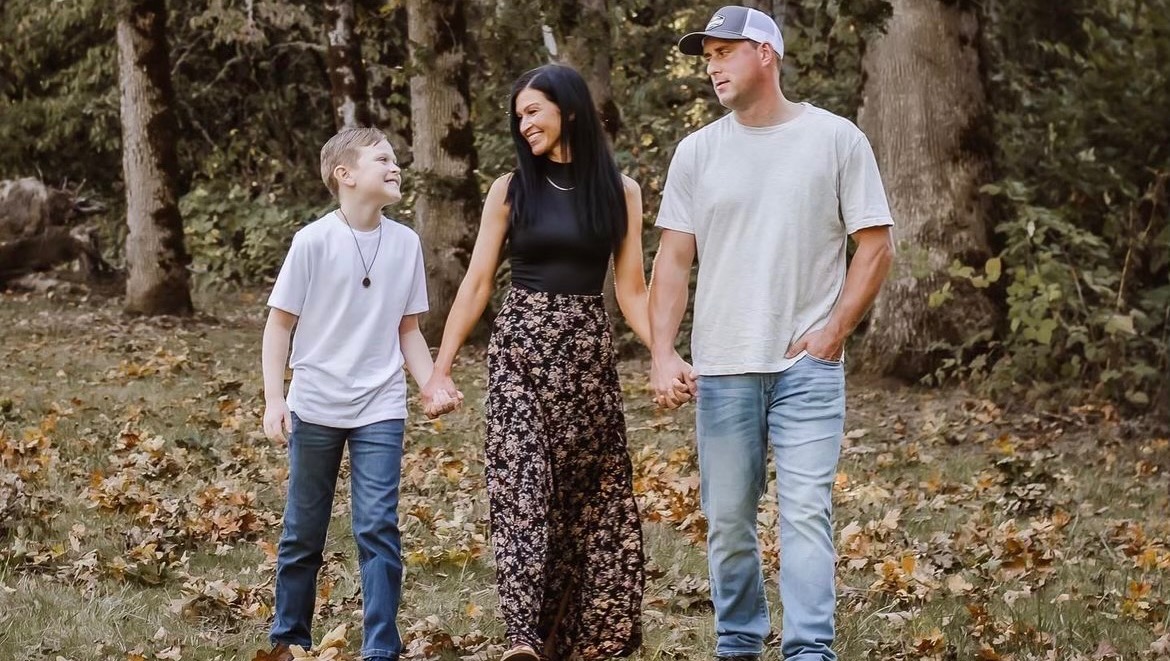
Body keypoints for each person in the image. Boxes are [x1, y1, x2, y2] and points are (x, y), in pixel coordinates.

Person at [648, 6, 896, 661]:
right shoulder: (697, 152)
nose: (712, 68)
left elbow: (875, 246)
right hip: (723, 367)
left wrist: (833, 333)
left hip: (806, 369)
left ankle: (810, 649)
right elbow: (672, 261)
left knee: (806, 510)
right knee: (728, 518)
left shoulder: (835, 139)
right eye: (707, 57)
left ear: (765, 53)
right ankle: (738, 641)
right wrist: (663, 352)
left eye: (723, 53)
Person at [420, 64, 649, 661]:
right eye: (518, 116)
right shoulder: (510, 188)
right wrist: (441, 367)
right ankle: (521, 636)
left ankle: (568, 638)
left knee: (580, 501)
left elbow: (631, 290)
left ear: (567, 109)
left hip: (586, 359)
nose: (523, 125)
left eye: (532, 111)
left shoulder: (621, 191)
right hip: (519, 351)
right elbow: (477, 283)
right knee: (522, 485)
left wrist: (667, 354)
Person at [260, 126, 461, 661]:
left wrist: (431, 384)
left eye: (396, 160)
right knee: (303, 530)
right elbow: (279, 325)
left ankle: (380, 649)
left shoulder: (406, 243)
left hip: (380, 405)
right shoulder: (313, 241)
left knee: (377, 526)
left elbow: (407, 329)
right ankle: (289, 638)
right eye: (383, 160)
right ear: (344, 174)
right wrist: (275, 399)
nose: (395, 167)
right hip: (315, 403)